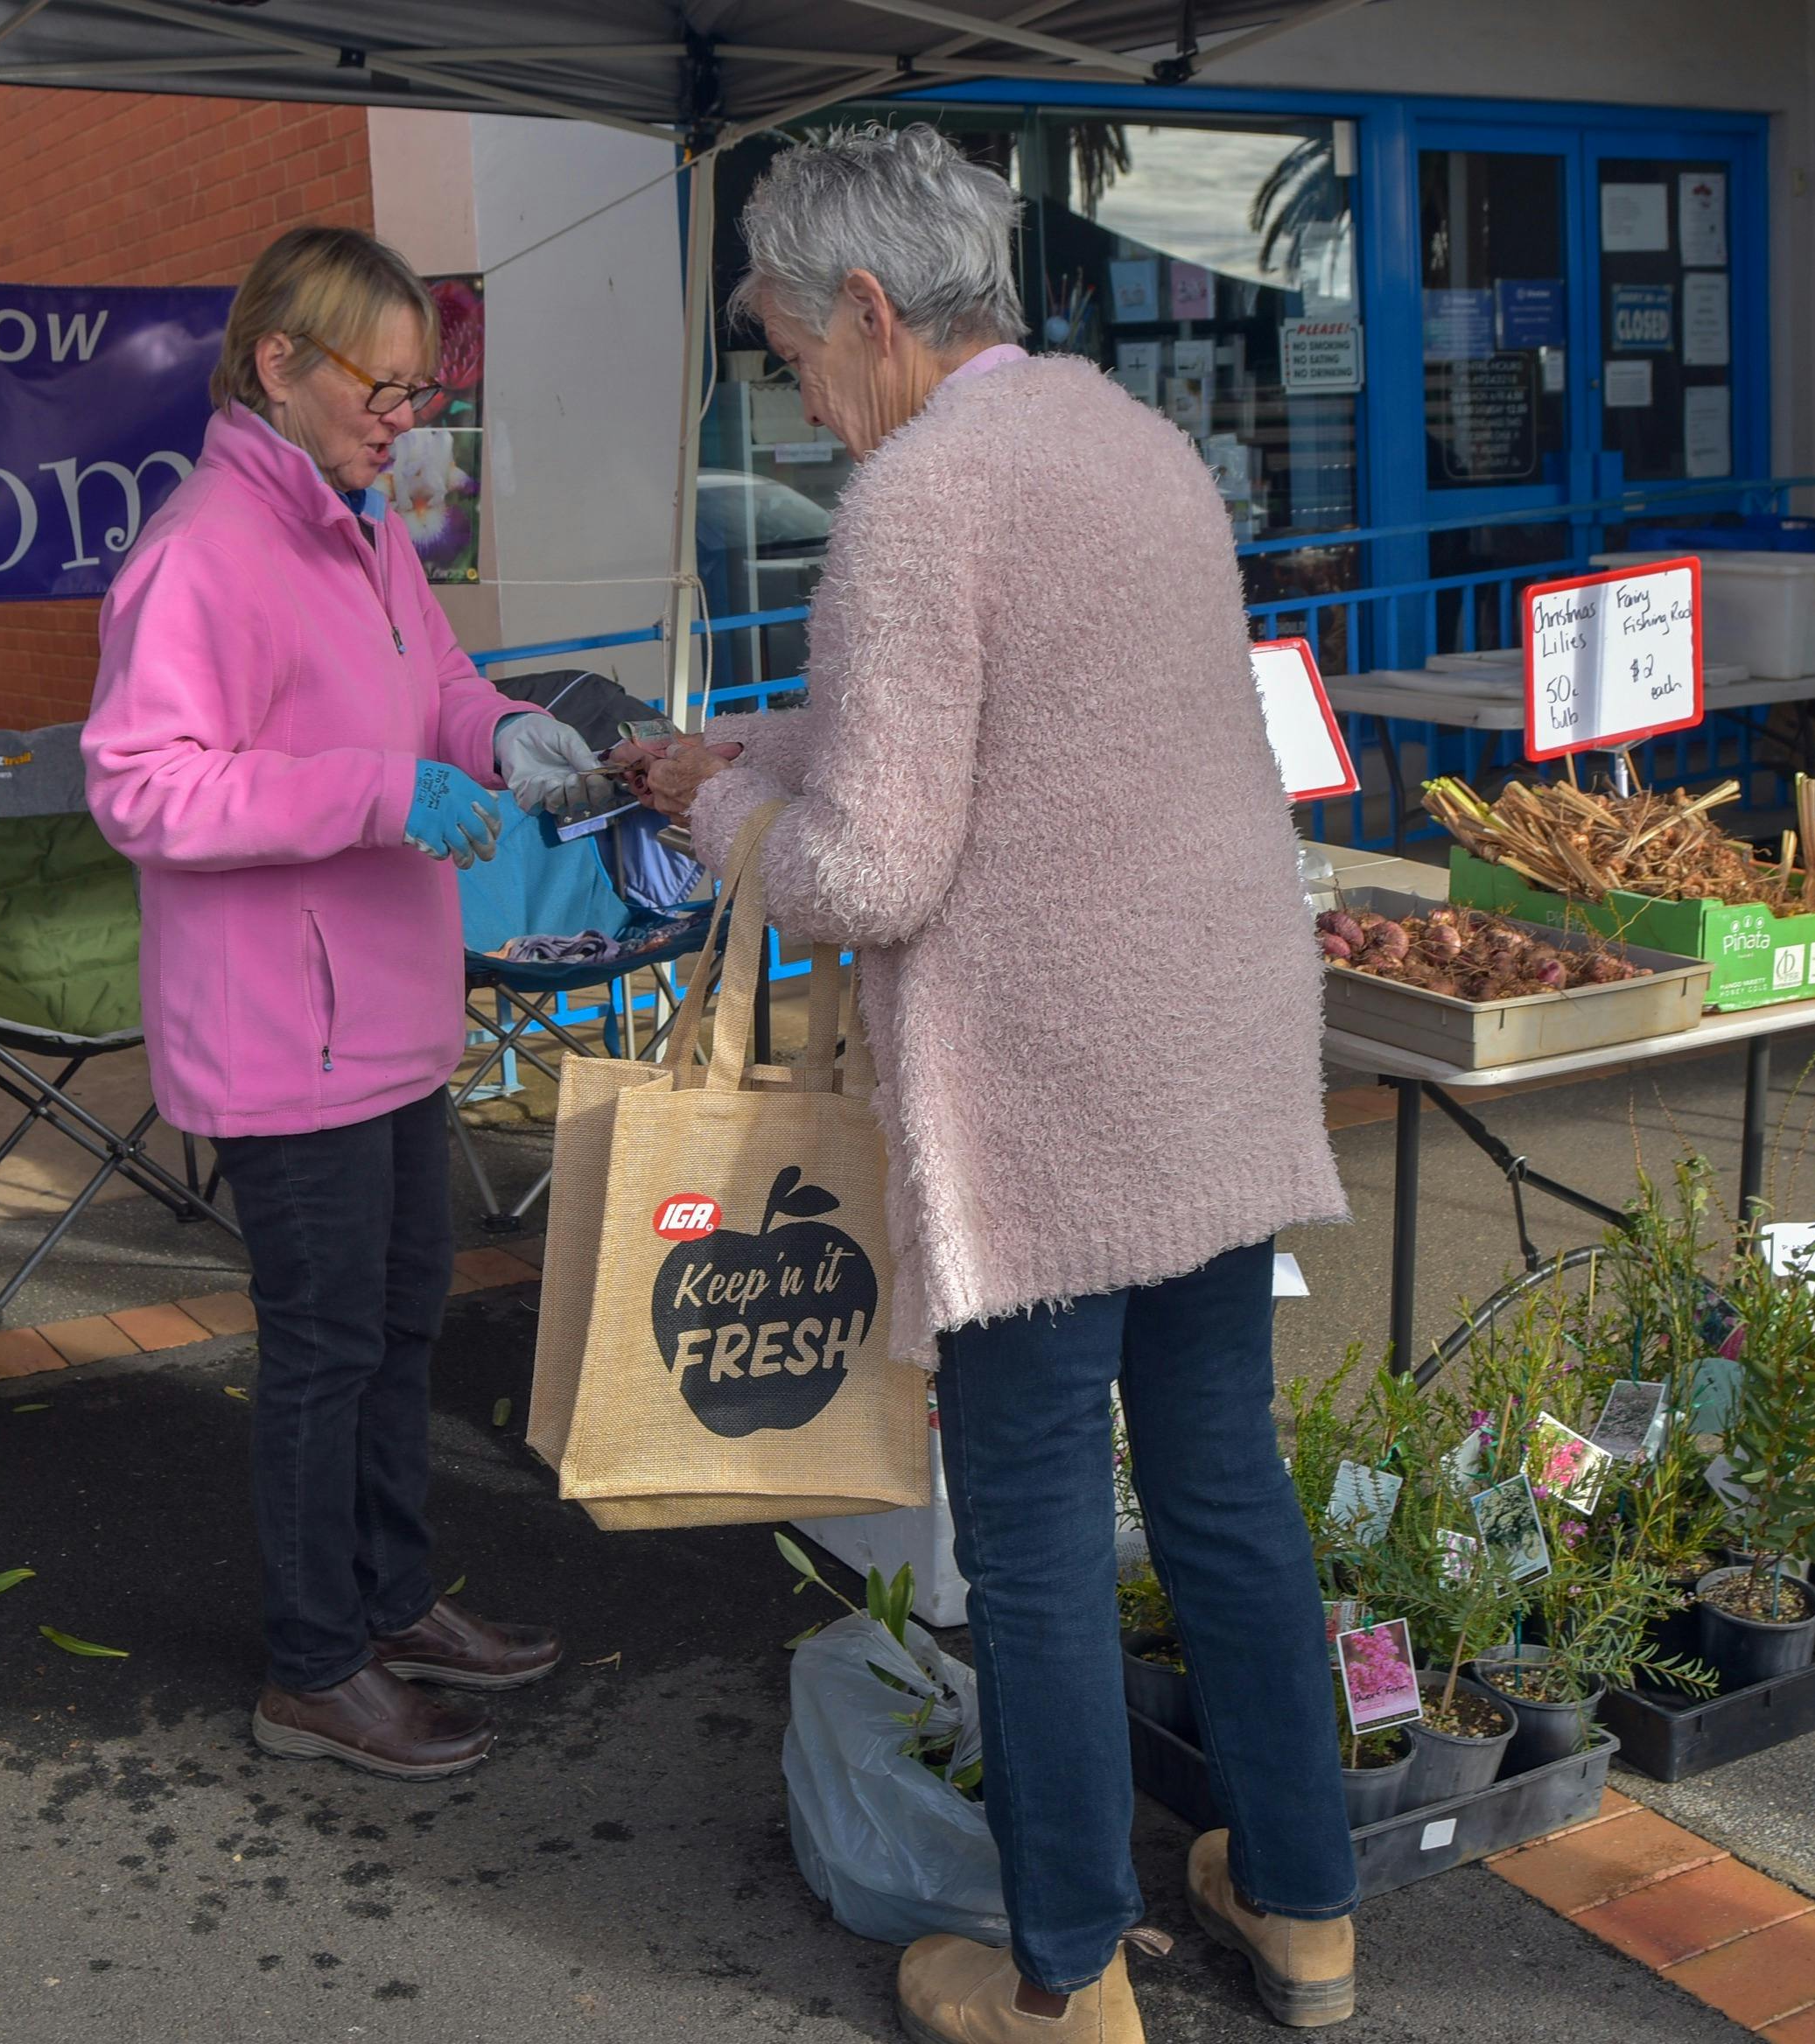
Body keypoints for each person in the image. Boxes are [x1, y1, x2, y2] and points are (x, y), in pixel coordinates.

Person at [634, 128, 1362, 2039]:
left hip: (1048, 1095)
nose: (802, 400)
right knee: (1221, 1488)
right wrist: (765, 736)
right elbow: (1001, 720)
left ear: (871, 313)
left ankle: (1063, 1984)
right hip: (1211, 1055)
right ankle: (1304, 1913)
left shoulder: (913, 498)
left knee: (1031, 1533)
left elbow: (871, 865)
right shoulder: (1128, 440)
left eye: (798, 356)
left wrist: (719, 800)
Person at [83, 226, 606, 1782]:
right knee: (324, 1351)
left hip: (383, 1011)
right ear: (280, 368)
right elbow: (140, 786)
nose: (405, 416)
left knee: (395, 1330)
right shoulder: (197, 551)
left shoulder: (368, 526)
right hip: (279, 1031)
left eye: (420, 388)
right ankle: (314, 1666)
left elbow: (435, 677)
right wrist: (383, 790)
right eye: (383, 385)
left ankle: (388, 1601)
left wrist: (501, 729)